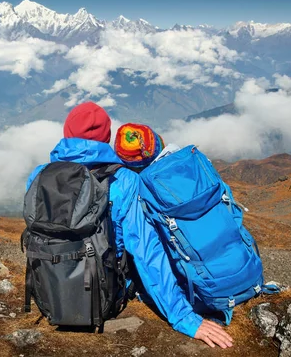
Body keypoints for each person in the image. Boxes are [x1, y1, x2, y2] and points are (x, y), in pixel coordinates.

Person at [27, 104, 233, 348]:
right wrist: (185, 318)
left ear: (66, 133)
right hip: (104, 302)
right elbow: (147, 253)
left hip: (49, 296)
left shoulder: (39, 175)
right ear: (106, 137)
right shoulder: (123, 180)